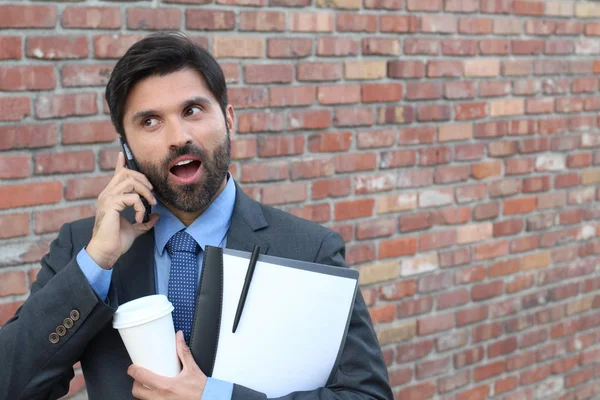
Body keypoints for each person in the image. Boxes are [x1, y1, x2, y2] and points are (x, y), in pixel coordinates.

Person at [0, 31, 392, 400]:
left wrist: (215, 396)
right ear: (127, 147)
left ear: (229, 119)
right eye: (149, 121)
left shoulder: (308, 249)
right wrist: (97, 261)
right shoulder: (83, 248)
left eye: (192, 110)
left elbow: (366, 394)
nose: (177, 136)